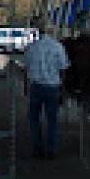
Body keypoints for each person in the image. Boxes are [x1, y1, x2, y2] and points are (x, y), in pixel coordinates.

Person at [23, 19, 70, 159]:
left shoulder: (31, 47)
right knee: (52, 120)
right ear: (51, 31)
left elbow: (26, 69)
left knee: (34, 119)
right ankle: (51, 149)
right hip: (53, 87)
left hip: (35, 86)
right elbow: (63, 69)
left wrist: (26, 86)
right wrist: (63, 88)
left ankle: (37, 148)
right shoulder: (58, 47)